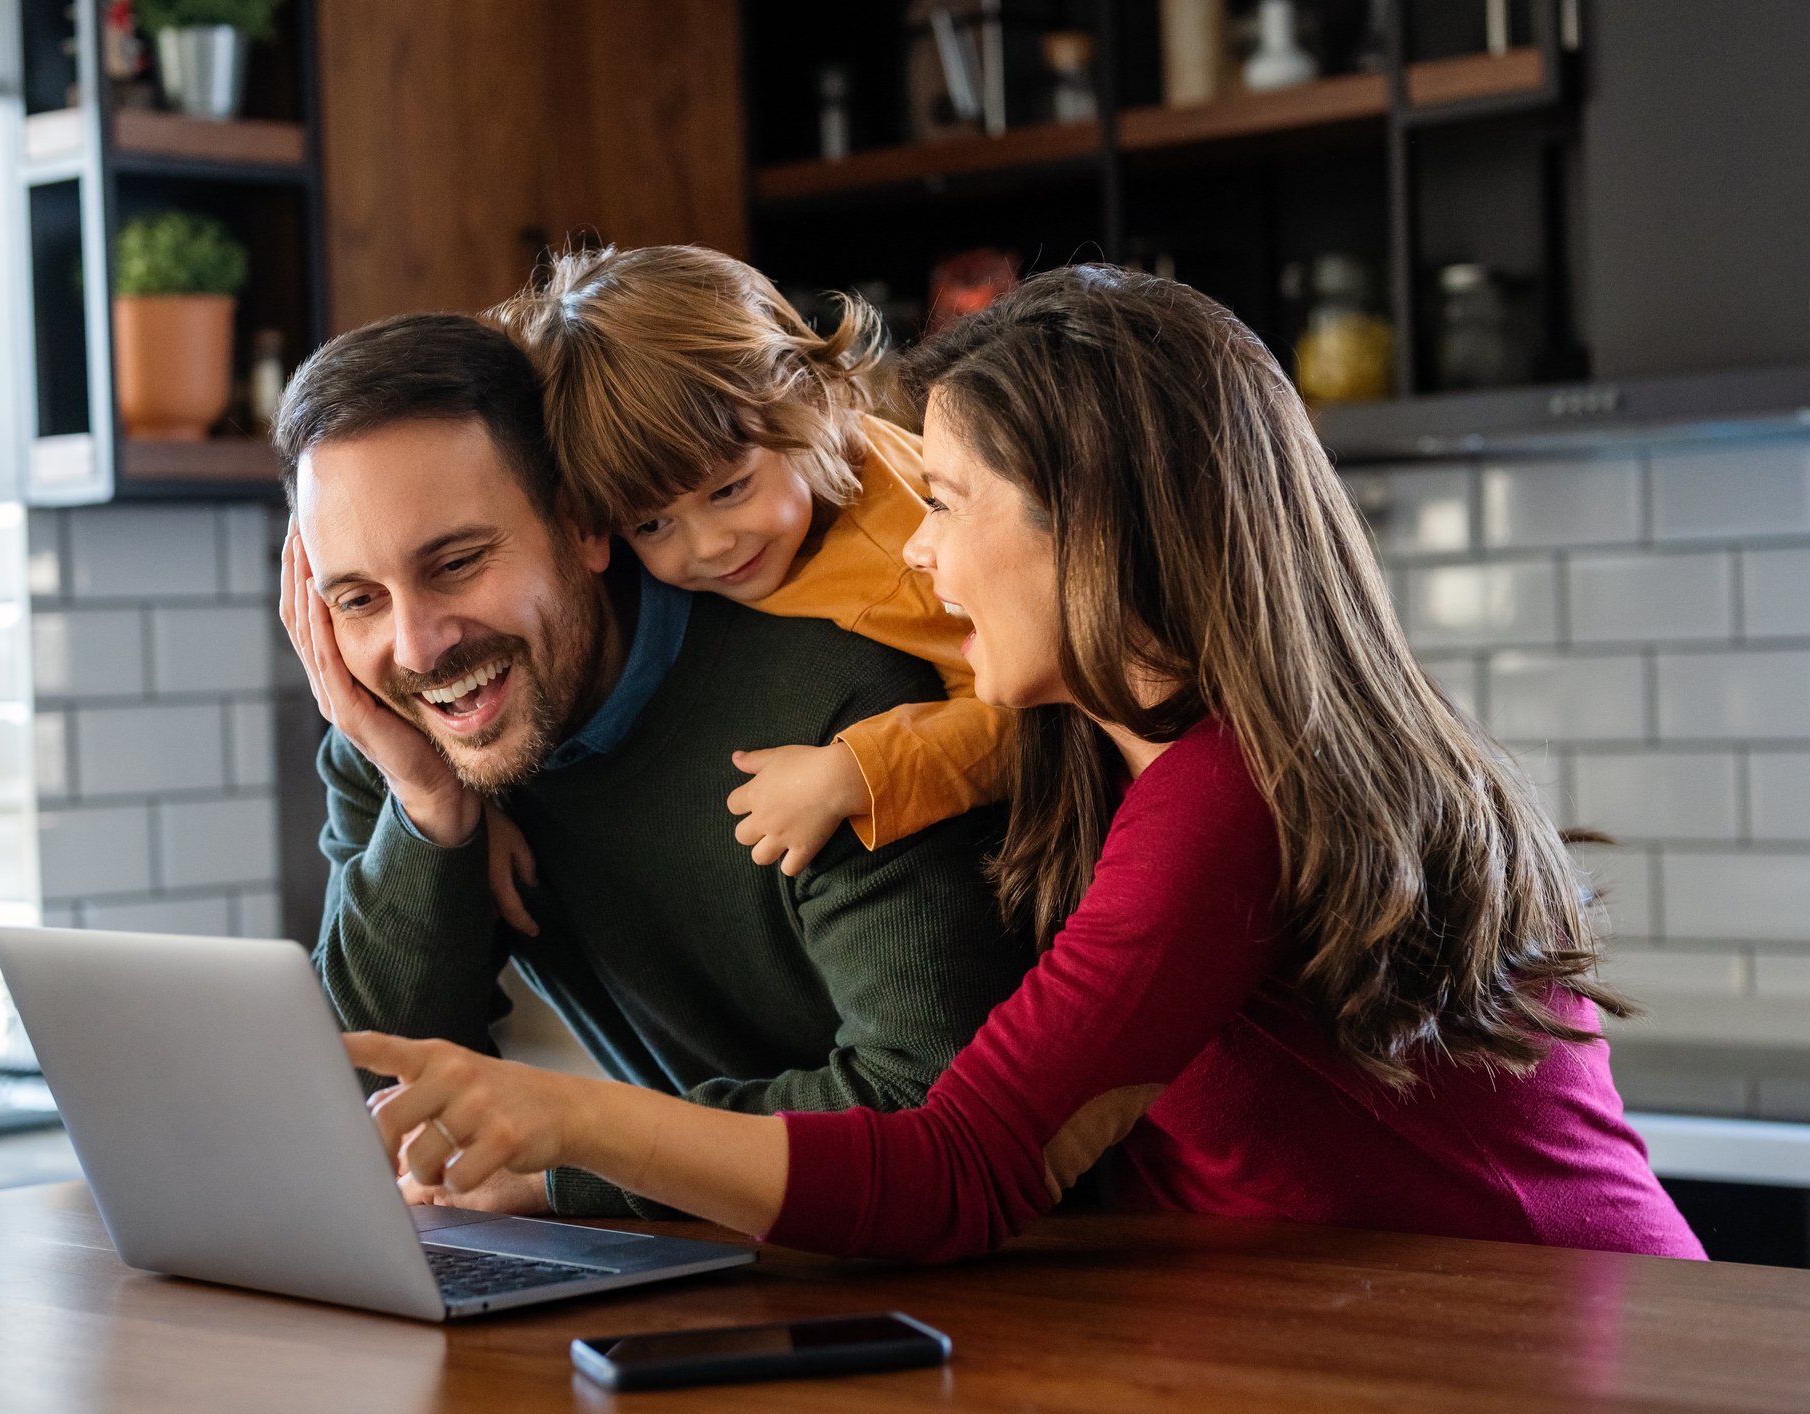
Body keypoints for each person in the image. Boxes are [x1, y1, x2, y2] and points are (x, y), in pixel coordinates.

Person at [342, 265, 1706, 1261]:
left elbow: (955, 1169)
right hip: (1327, 1326)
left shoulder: (1222, 805)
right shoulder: (1088, 760)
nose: (916, 558)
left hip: (1536, 1331)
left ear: (1095, 527)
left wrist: (568, 1124)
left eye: (943, 501)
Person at [272, 313, 1030, 1220]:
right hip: (719, 1268)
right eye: (357, 599)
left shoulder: (839, 707)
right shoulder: (409, 742)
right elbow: (374, 1109)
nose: (417, 644)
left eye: (458, 563)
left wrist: (569, 1165)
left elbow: (926, 1108)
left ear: (584, 528)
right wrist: (431, 810)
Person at [480, 245, 1014, 934]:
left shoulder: (906, 562)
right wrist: (483, 802)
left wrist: (854, 775)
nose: (707, 546)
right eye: (651, 524)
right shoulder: (756, 496)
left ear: (804, 397)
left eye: (730, 489)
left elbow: (1038, 723)